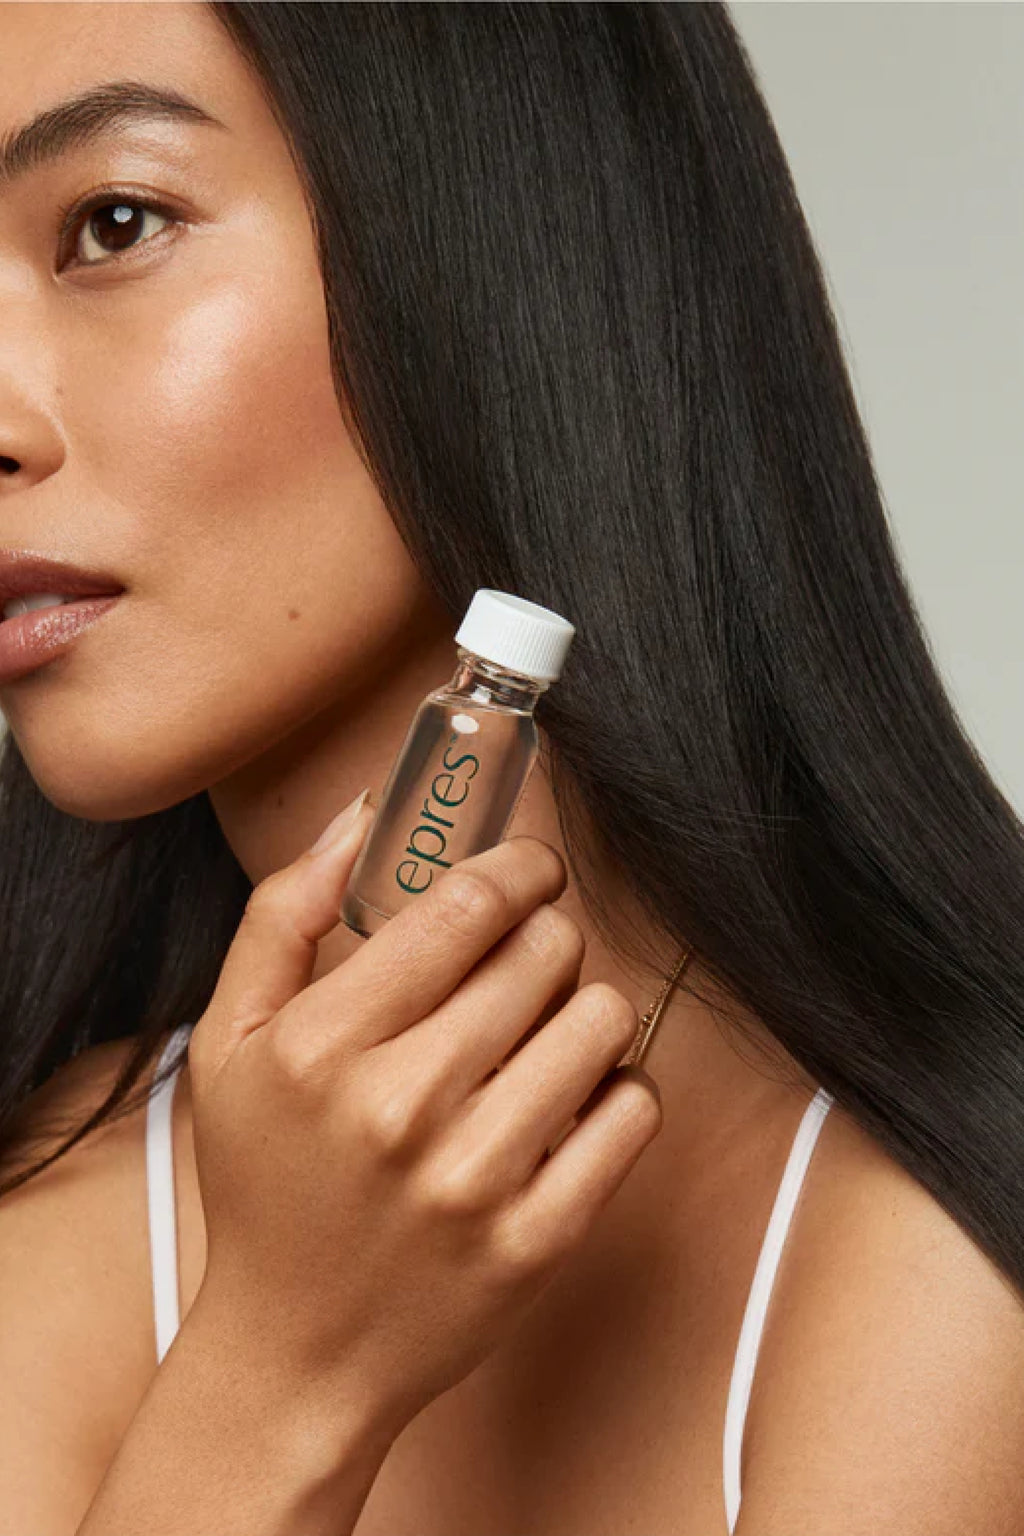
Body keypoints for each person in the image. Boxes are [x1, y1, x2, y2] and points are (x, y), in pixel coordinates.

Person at [1, 4, 1023, 1533]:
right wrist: (273, 1381)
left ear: (491, 244)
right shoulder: (54, 1194)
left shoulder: (944, 1258)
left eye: (115, 223)